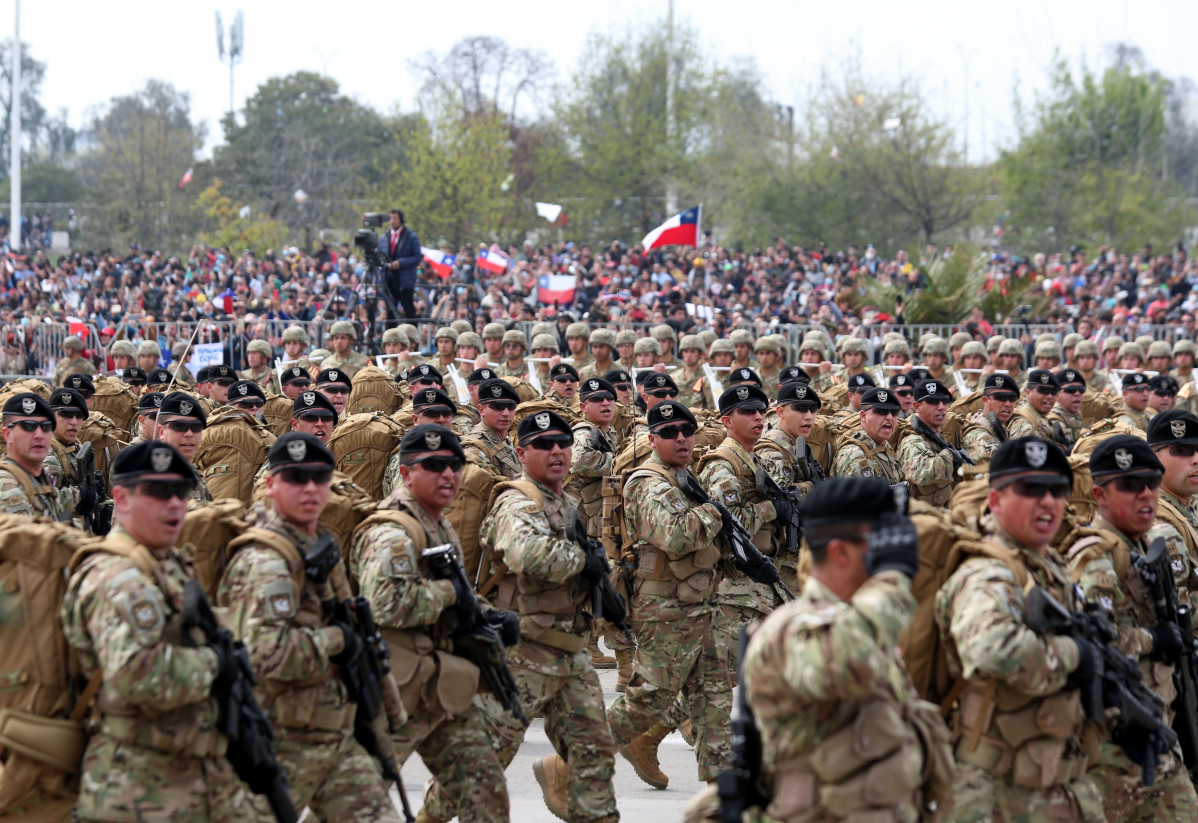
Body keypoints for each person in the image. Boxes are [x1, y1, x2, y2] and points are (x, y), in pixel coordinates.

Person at [687, 477, 955, 823]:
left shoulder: (860, 623)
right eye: (883, 543)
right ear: (840, 552)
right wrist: (893, 577)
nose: (899, 553)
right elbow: (847, 667)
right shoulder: (790, 631)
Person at [420, 410, 619, 823]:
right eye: (543, 444)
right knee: (482, 764)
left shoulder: (563, 503)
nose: (557, 451)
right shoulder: (516, 501)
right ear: (521, 451)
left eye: (563, 443)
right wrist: (584, 561)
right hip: (521, 654)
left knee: (595, 754)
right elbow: (528, 555)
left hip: (570, 653)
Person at [61, 441, 266, 822]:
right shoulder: (117, 577)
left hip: (190, 766)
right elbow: (138, 676)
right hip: (137, 785)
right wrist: (217, 663)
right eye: (157, 492)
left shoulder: (167, 561)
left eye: (181, 492)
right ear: (120, 498)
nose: (174, 504)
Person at [217, 432, 403, 822]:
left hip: (334, 735)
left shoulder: (316, 543)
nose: (310, 488)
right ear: (270, 485)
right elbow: (263, 654)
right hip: (282, 738)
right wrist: (338, 639)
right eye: (296, 478)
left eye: (319, 478)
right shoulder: (266, 559)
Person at [934, 436, 1105, 823]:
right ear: (995, 501)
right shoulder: (987, 571)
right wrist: (1073, 656)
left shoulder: (1046, 564)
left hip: (1051, 779)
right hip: (995, 791)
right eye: (1030, 490)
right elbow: (991, 648)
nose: (1047, 502)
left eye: (1057, 491)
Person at [349, 424, 513, 823]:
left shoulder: (436, 521)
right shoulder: (393, 531)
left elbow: (455, 587)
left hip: (441, 684)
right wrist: (449, 596)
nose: (448, 475)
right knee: (357, 805)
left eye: (455, 465)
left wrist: (487, 615)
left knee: (484, 790)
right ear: (405, 473)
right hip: (395, 688)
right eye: (434, 465)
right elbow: (384, 604)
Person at [1063, 435, 1198, 820]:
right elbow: (1091, 641)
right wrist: (1152, 639)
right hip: (1114, 739)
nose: (1146, 495)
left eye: (1151, 484)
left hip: (1156, 718)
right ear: (1101, 494)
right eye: (1129, 485)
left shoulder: (1143, 545)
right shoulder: (1096, 559)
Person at [605, 400, 732, 789]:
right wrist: (716, 511)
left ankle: (722, 789)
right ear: (651, 439)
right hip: (664, 608)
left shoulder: (684, 477)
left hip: (698, 603)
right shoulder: (647, 481)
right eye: (669, 433)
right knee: (647, 699)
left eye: (687, 432)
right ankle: (568, 762)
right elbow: (674, 536)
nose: (681, 438)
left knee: (715, 696)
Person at [1147, 409, 1198, 616]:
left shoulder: (1187, 503)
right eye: (1182, 450)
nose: (1195, 459)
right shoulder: (1162, 529)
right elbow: (1177, 607)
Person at [44, 387, 110, 532]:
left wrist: (102, 504)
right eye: (66, 415)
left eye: (79, 416)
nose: (73, 421)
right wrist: (80, 494)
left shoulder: (76, 445)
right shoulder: (47, 452)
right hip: (62, 534)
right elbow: (45, 501)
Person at [0, 392, 72, 520]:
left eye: (46, 427)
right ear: (7, 435)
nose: (39, 435)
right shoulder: (6, 484)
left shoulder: (40, 477)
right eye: (28, 426)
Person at [897, 378, 959, 506]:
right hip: (921, 517)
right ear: (917, 407)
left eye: (945, 401)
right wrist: (950, 455)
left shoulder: (935, 436)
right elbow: (922, 473)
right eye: (933, 401)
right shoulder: (912, 440)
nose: (941, 407)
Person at [831, 387, 903, 482]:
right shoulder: (855, 454)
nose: (889, 417)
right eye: (881, 411)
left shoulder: (884, 447)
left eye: (894, 412)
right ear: (863, 416)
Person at [155, 391, 213, 501]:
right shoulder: (151, 480)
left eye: (196, 427)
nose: (189, 434)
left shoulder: (193, 474)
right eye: (179, 426)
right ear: (162, 432)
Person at [461, 378, 522, 479]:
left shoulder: (502, 437)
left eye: (511, 407)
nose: (506, 413)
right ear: (481, 410)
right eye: (498, 407)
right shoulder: (475, 448)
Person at [378, 207, 422, 319]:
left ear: (401, 219)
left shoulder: (411, 237)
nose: (392, 221)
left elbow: (417, 257)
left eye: (395, 218)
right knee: (390, 312)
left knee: (408, 309)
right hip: (389, 279)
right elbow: (379, 255)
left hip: (405, 279)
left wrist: (401, 263)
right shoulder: (384, 237)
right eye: (391, 218)